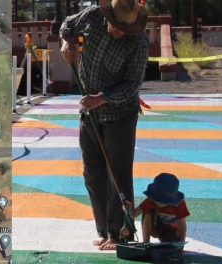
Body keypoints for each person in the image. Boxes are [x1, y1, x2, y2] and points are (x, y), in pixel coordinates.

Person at [59, 0, 150, 250]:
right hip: (89, 113)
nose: (121, 31)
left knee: (118, 176)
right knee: (92, 172)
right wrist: (67, 41)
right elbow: (67, 24)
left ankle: (119, 233)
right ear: (108, 16)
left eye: (126, 28)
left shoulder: (138, 42)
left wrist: (102, 98)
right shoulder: (91, 17)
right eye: (117, 26)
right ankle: (103, 229)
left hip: (119, 113)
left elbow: (132, 86)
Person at [124, 173, 190, 250]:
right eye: (157, 199)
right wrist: (128, 209)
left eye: (163, 200)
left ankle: (168, 240)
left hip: (172, 232)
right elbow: (134, 214)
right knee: (147, 212)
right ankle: (146, 244)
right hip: (156, 228)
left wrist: (181, 247)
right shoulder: (150, 201)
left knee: (170, 247)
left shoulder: (179, 204)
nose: (158, 202)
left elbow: (182, 226)